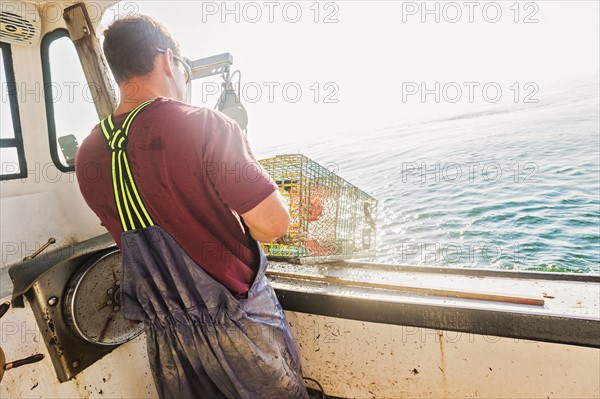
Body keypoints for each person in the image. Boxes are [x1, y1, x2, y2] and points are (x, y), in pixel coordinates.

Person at [75, 14, 309, 399]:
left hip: (169, 344)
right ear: (168, 60)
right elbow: (272, 225)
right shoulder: (202, 124)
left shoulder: (87, 155)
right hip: (238, 330)